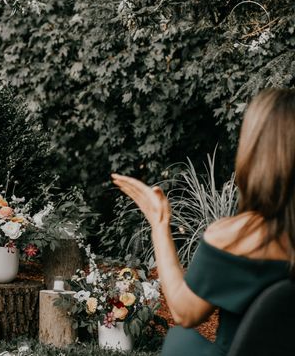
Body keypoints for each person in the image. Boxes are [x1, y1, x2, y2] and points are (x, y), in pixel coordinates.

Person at [113, 87, 295, 356]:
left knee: (179, 340)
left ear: (255, 152)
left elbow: (185, 313)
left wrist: (159, 224)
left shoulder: (236, 237)